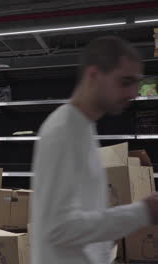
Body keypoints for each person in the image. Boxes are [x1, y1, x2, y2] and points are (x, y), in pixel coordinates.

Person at [31, 36, 158, 264]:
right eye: (125, 81)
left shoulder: (83, 128)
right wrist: (142, 212)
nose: (132, 93)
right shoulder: (63, 131)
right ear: (93, 75)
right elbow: (58, 228)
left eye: (135, 83)